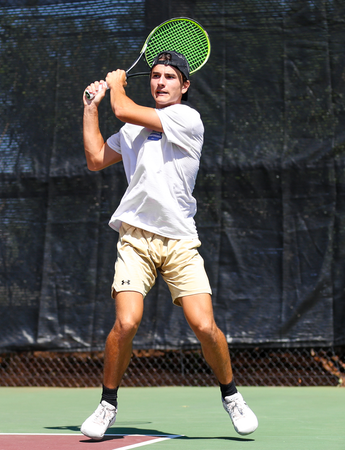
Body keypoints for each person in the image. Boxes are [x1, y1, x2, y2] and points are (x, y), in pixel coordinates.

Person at [79, 51, 259, 441]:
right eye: (156, 76)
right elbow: (95, 159)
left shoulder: (186, 119)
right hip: (136, 238)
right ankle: (107, 404)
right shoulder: (130, 129)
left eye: (169, 78)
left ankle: (231, 395)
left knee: (203, 325)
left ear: (185, 86)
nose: (160, 82)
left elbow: (125, 109)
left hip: (179, 240)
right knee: (126, 322)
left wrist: (116, 86)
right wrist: (91, 109)